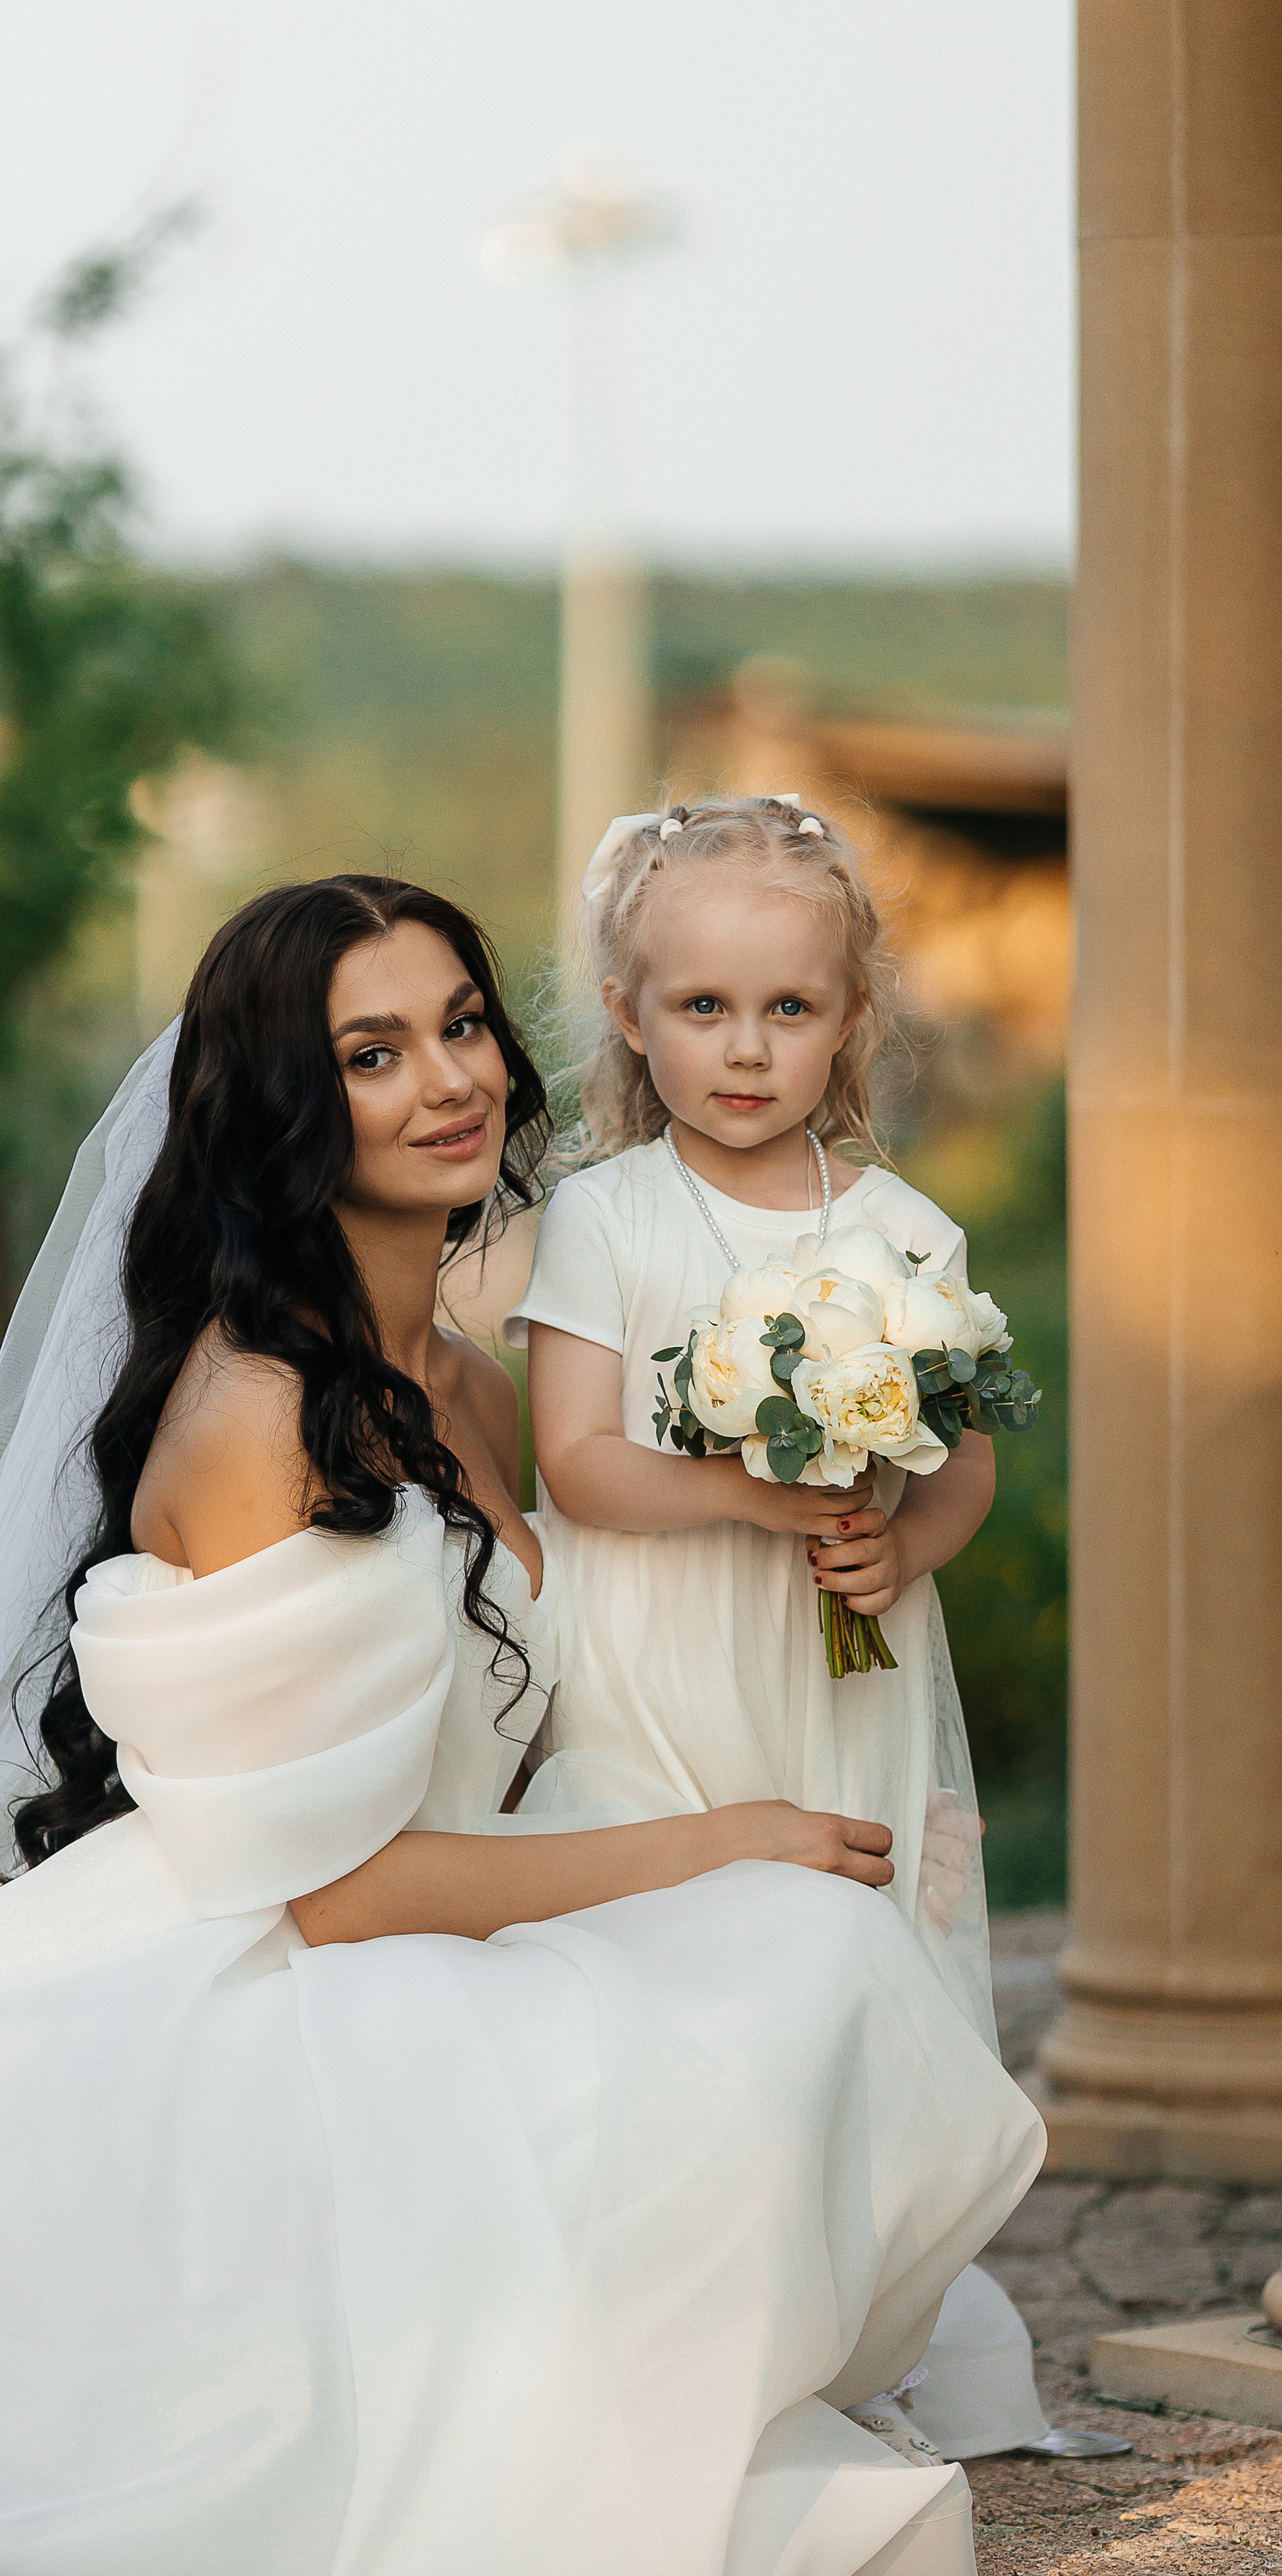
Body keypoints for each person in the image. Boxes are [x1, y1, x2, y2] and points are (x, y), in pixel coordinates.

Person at [0, 875, 1044, 2576]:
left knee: (794, 1963)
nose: (450, 1081)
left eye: (457, 1026)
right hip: (289, 1962)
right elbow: (333, 1891)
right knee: (771, 1958)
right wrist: (718, 1839)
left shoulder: (452, 1376)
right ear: (282, 1105)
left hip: (441, 1903)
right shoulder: (268, 1417)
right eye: (372, 1052)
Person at [517, 798, 1005, 2050]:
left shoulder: (902, 1232)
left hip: (834, 1656)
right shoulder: (605, 1218)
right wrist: (749, 1491)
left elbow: (964, 1462)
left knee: (836, 1962)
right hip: (656, 1652)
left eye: (789, 1009)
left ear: (850, 1017)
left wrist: (908, 1549)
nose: (747, 1051)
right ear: (631, 1015)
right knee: (679, 1972)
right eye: (703, 1009)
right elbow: (576, 1463)